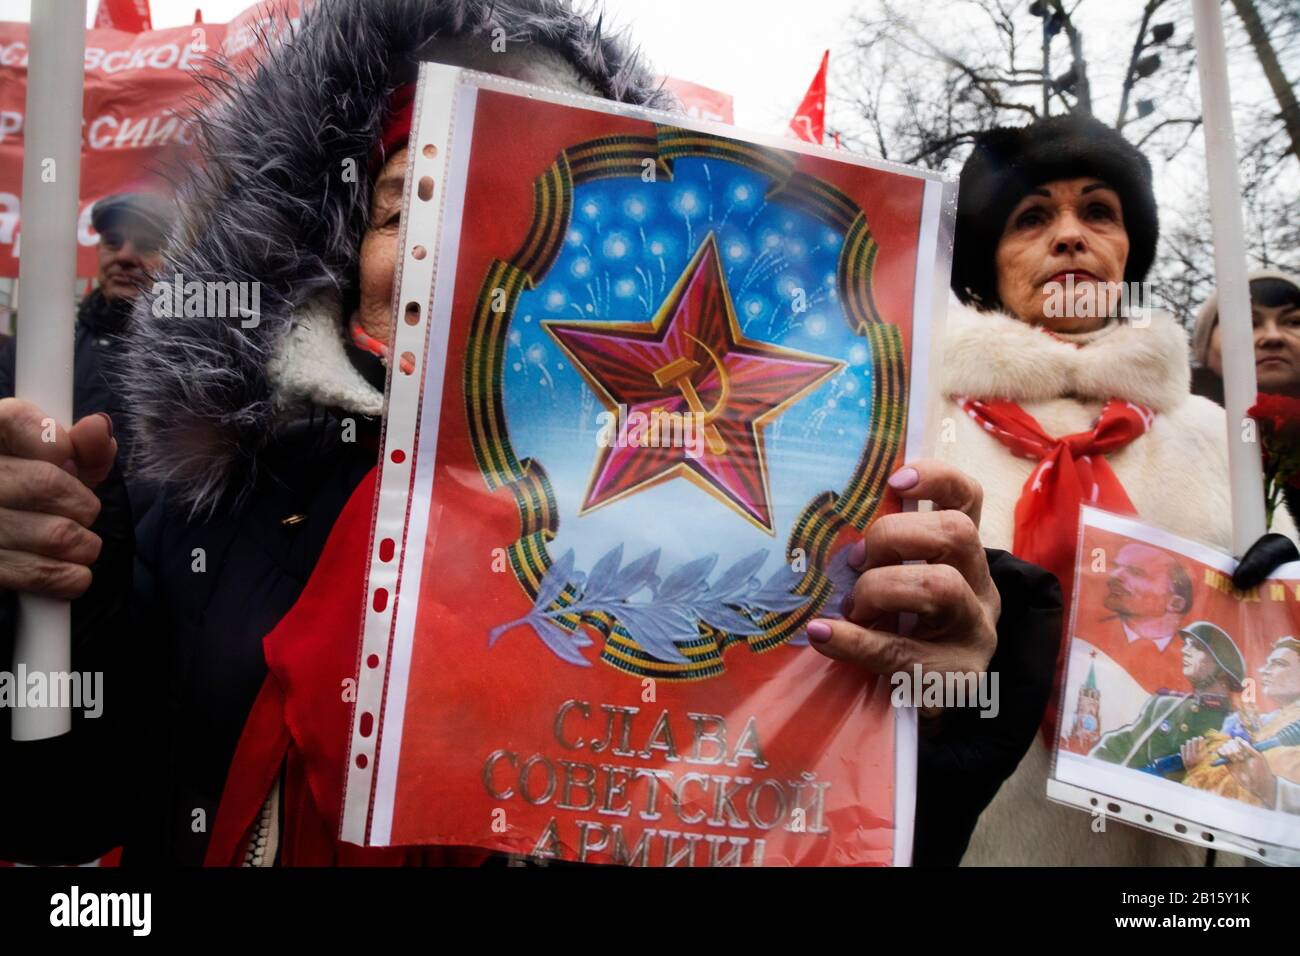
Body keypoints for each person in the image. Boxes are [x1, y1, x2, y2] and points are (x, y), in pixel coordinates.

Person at [0, 0, 1061, 868]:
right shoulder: (196, 498)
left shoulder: (753, 537)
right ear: (324, 260)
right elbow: (56, 824)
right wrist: (42, 610)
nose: (455, 238)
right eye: (407, 200)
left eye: (504, 199)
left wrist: (930, 710)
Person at [936, 113, 1299, 866]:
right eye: (1032, 217)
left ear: (1128, 248)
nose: (1070, 235)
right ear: (988, 259)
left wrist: (1287, 591)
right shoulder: (916, 423)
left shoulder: (1217, 433)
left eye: (1098, 211)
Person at [1090, 621, 1243, 775]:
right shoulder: (1165, 705)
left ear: (1222, 672)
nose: (1185, 650)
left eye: (1197, 647)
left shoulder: (1234, 728)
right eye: (1186, 644)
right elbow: (1120, 744)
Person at [1181, 636, 1300, 809]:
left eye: (1279, 663)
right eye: (1267, 663)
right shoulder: (1268, 722)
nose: (1264, 670)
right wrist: (1197, 769)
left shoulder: (1287, 726)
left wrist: (1268, 786)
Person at [1191, 270, 1300, 407]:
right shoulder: (1162, 425)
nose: (1272, 336)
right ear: (1205, 348)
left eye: (1294, 322)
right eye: (1247, 323)